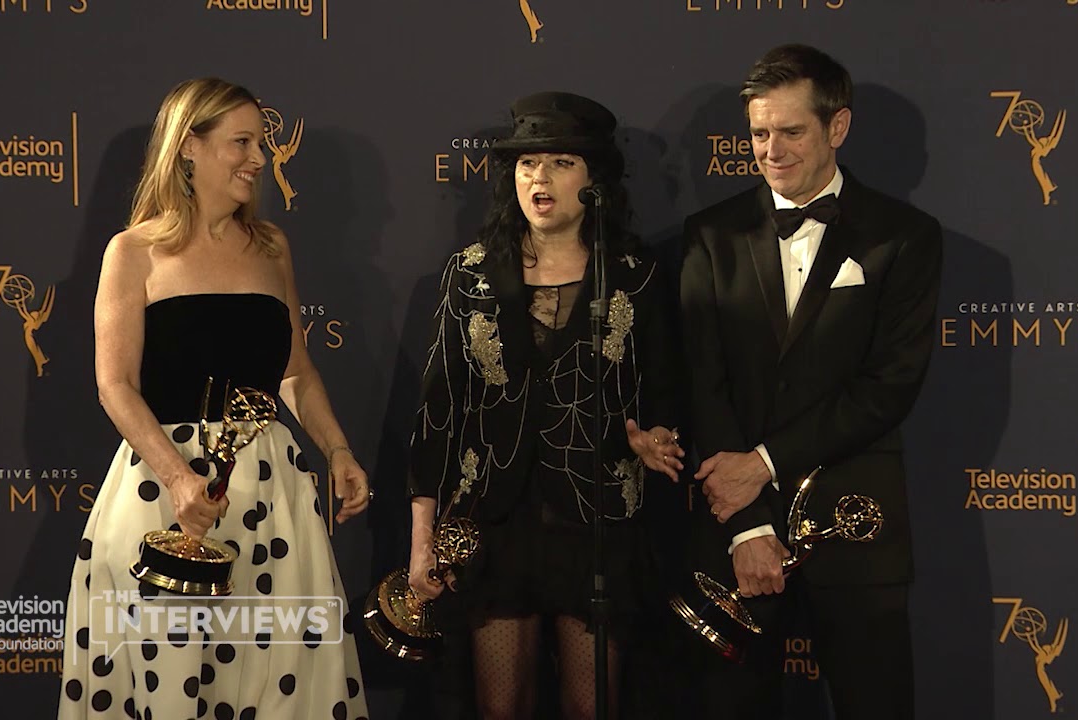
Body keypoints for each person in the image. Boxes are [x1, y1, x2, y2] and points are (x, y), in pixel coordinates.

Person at [57, 78, 370, 719]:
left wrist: (336, 448)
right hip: (163, 497)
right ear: (189, 148)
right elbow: (114, 384)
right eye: (243, 142)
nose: (260, 158)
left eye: (263, 143)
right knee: (168, 683)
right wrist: (179, 480)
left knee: (276, 683)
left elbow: (296, 372)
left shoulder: (271, 246)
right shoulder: (134, 251)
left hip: (272, 496)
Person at [680, 45, 942, 719]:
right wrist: (746, 526)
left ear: (838, 127)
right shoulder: (710, 236)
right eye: (759, 134)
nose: (771, 150)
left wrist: (761, 465)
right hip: (735, 535)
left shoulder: (904, 237)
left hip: (857, 528)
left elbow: (888, 387)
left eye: (791, 132)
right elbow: (700, 383)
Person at [406, 91, 682, 720]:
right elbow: (437, 416)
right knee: (501, 709)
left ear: (595, 180)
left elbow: (666, 393)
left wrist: (650, 438)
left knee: (595, 708)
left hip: (597, 526)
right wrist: (422, 540)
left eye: (560, 162)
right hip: (493, 529)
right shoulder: (469, 274)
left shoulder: (635, 274)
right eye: (528, 164)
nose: (540, 178)